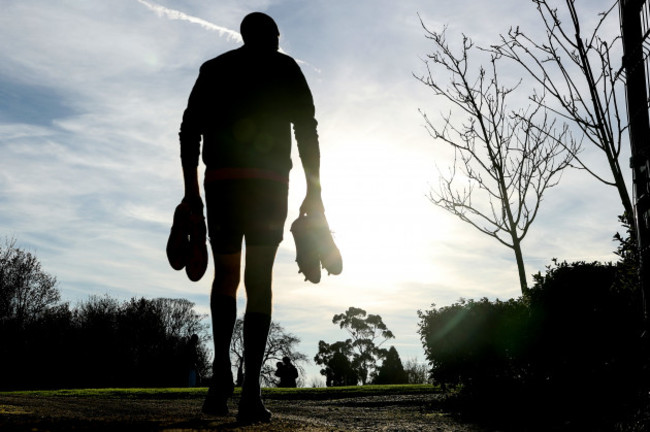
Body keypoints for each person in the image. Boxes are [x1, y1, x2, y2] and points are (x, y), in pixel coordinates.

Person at [178, 12, 324, 424]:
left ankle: (220, 380)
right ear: (274, 36)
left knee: (225, 277)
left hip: (221, 182)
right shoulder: (286, 68)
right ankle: (251, 393)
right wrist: (315, 192)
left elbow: (189, 132)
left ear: (243, 36)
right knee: (259, 282)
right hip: (269, 184)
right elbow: (307, 131)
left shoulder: (215, 68)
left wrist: (191, 192)